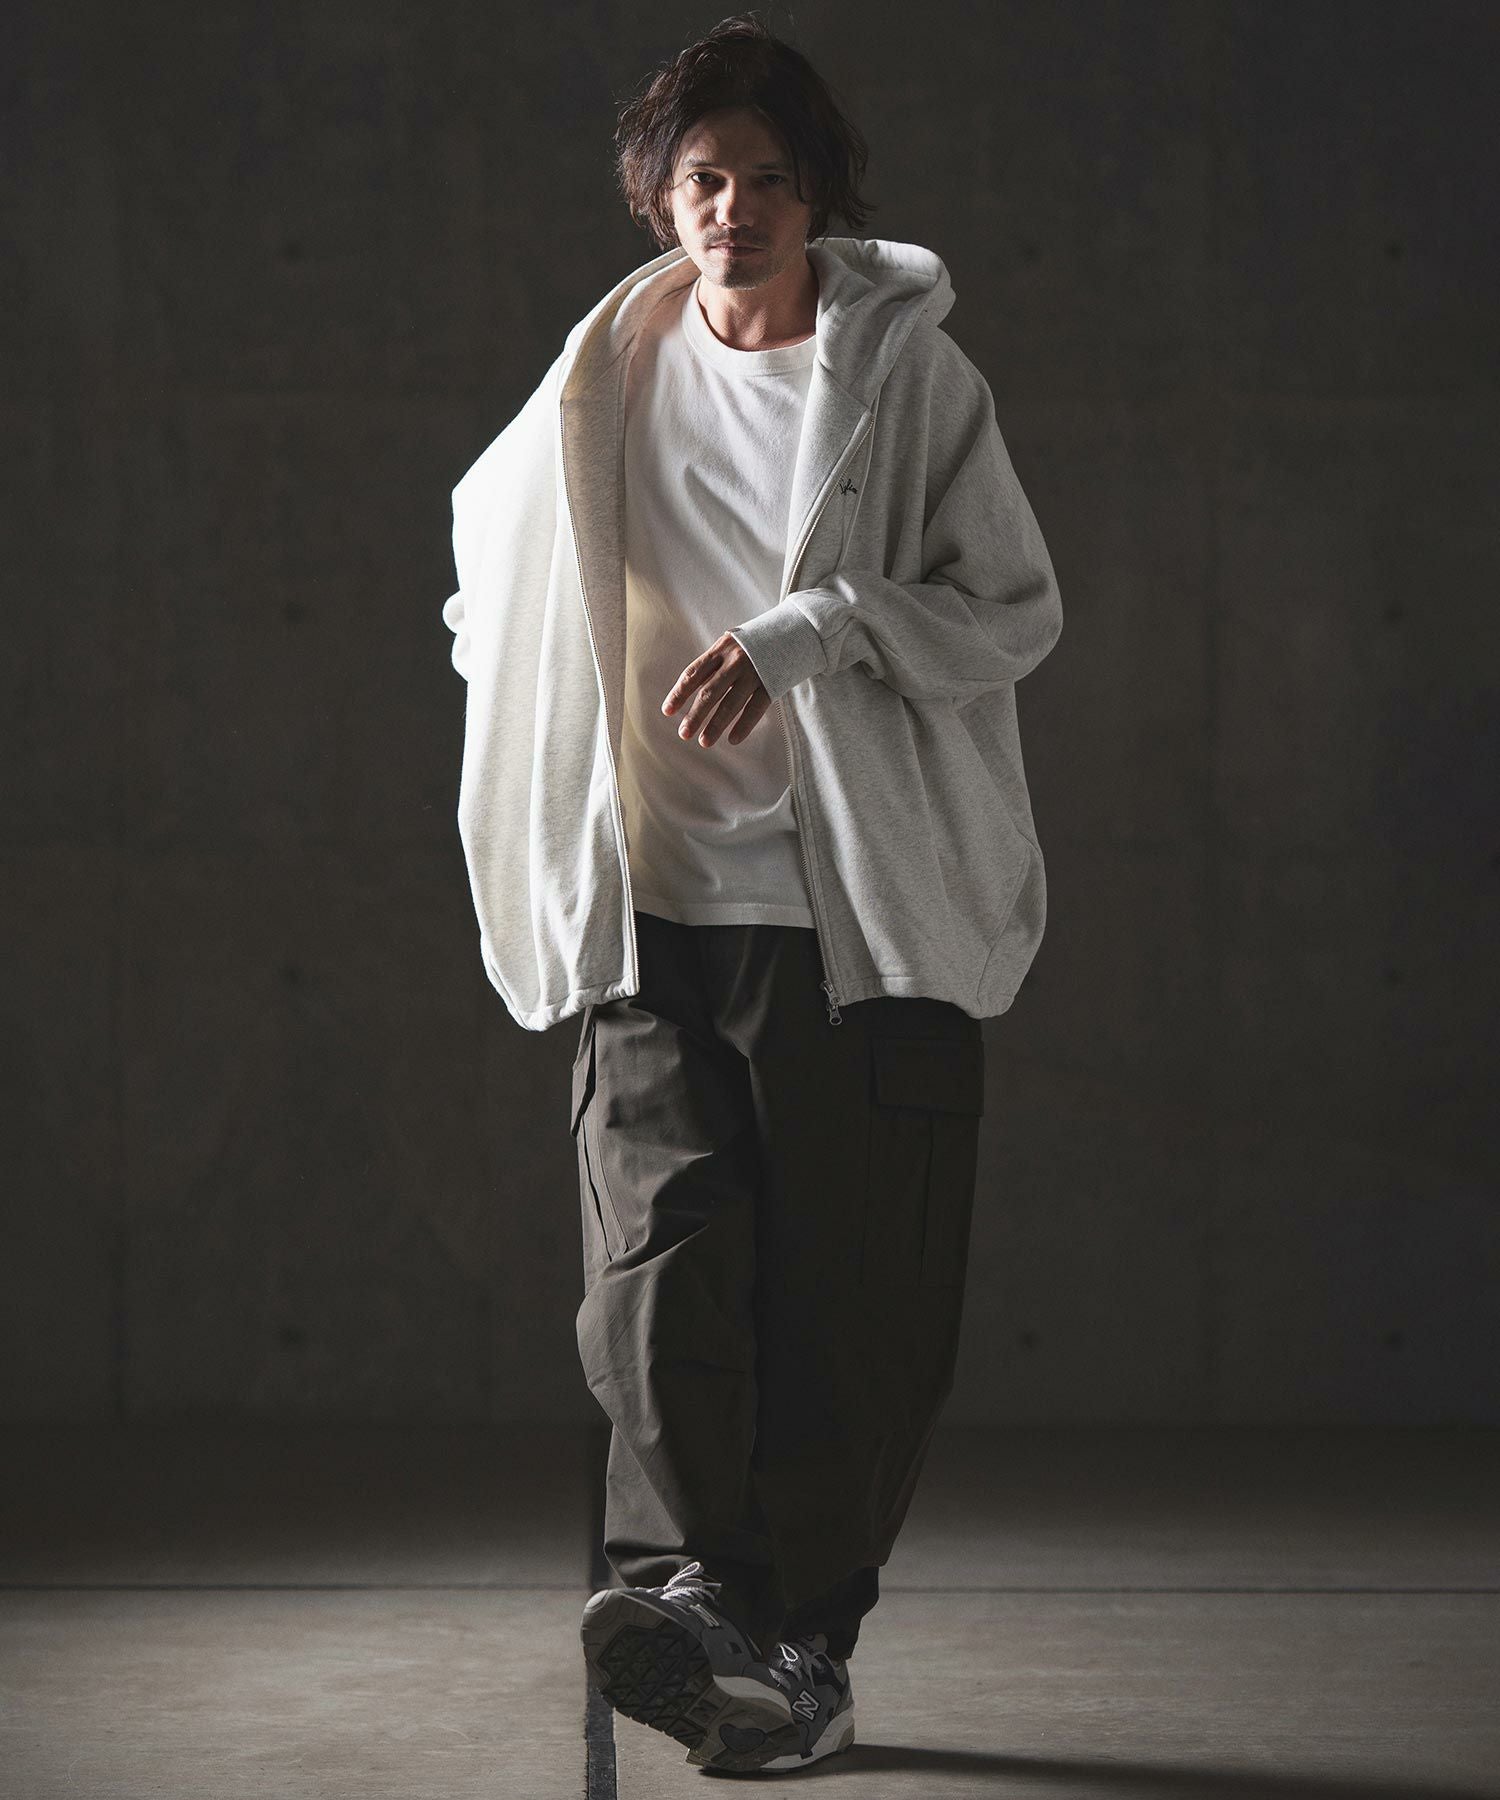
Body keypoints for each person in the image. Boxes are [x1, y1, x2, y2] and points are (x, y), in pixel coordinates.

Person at [441, 13, 1062, 1776]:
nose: (737, 209)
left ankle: (802, 1646)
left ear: (818, 198)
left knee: (846, 1306)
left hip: (845, 920)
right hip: (647, 904)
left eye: (771, 179)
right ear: (660, 197)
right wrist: (543, 725)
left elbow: (1014, 612)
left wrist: (818, 628)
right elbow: (491, 581)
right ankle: (694, 1597)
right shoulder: (599, 375)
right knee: (657, 1279)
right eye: (705, 178)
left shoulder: (909, 384)